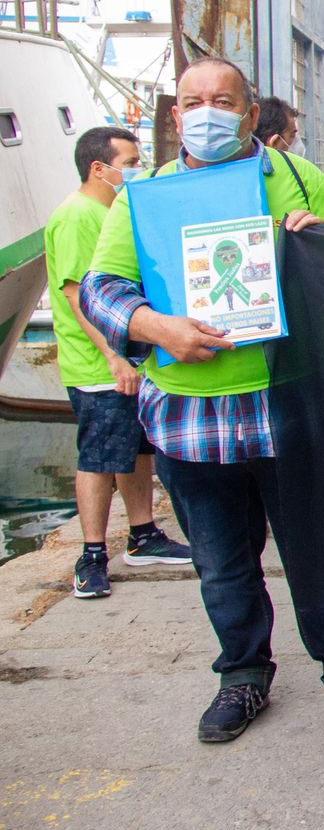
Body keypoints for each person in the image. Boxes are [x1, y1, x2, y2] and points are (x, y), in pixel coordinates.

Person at [79, 57, 324, 743]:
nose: (208, 113)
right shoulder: (146, 196)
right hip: (190, 415)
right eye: (193, 101)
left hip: (292, 403)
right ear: (175, 116)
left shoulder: (297, 178)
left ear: (251, 114)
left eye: (223, 101)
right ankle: (243, 674)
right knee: (222, 562)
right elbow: (102, 289)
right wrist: (156, 327)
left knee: (319, 548)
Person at [46, 126, 191, 599]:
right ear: (98, 168)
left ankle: (143, 534)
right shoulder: (77, 216)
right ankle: (91, 555)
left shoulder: (112, 211)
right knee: (99, 457)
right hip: (97, 365)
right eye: (129, 162)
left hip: (132, 359)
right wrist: (112, 356)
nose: (136, 169)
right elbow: (76, 295)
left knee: (137, 450)